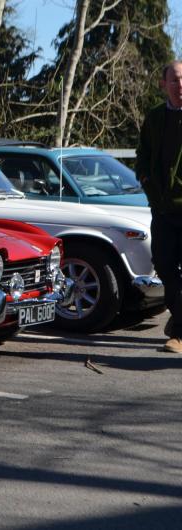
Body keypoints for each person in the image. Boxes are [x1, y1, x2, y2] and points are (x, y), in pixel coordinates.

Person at [136, 60, 182, 353]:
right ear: (164, 84)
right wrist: (145, 178)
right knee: (164, 265)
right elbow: (143, 154)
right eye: (175, 80)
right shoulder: (154, 118)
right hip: (163, 209)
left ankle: (179, 332)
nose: (181, 86)